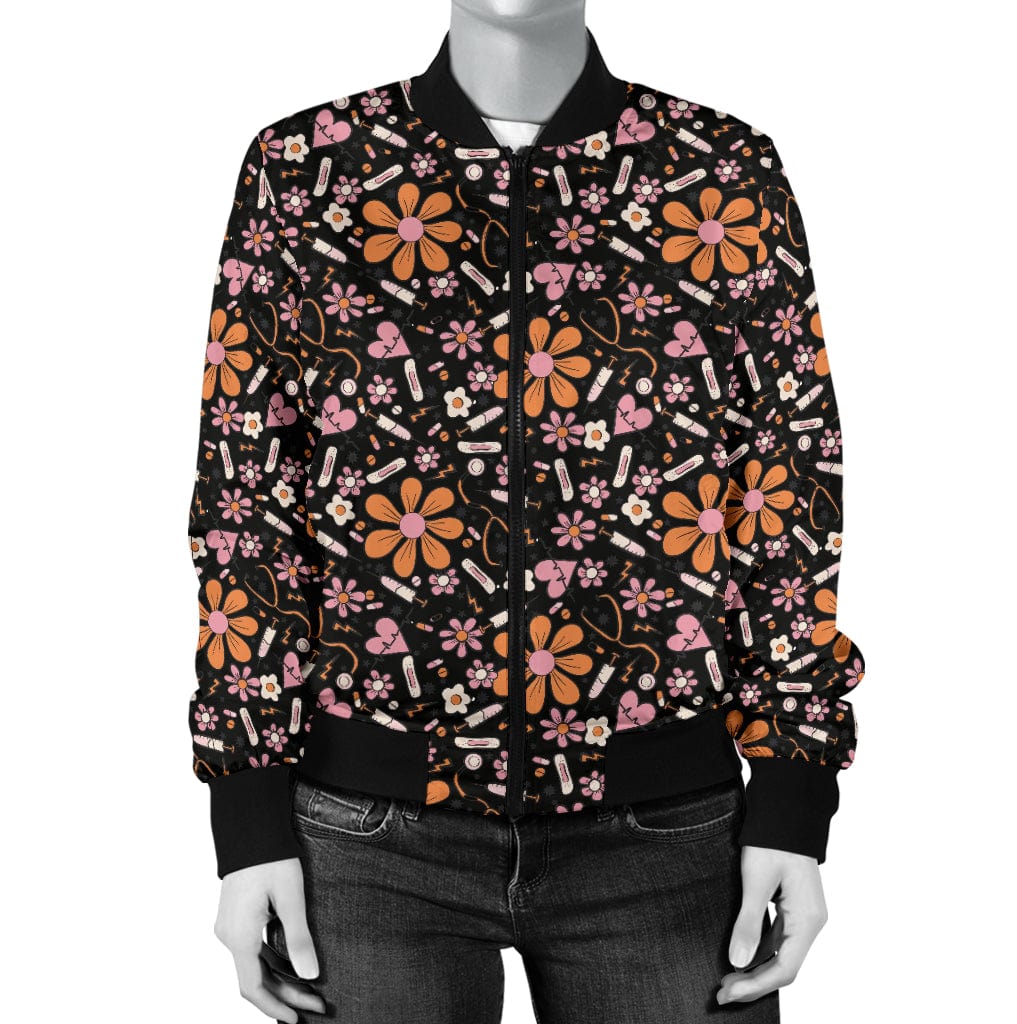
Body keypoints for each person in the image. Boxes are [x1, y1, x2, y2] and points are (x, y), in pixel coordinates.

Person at [186, 2, 867, 1021]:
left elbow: (785, 487)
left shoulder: (718, 172)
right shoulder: (308, 169)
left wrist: (792, 794)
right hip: (371, 835)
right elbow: (248, 502)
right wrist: (246, 818)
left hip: (666, 832)